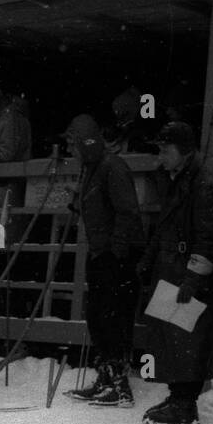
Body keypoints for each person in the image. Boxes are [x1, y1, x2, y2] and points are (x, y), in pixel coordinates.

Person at [138, 121, 213, 424]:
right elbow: (164, 226)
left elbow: (208, 237)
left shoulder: (203, 185)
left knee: (188, 338)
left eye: (166, 150)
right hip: (174, 267)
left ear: (184, 150)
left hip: (188, 271)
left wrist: (194, 279)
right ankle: (177, 395)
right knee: (173, 338)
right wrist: (148, 261)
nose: (161, 157)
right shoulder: (180, 180)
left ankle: (186, 404)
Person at [59, 114, 144, 408]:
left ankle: (119, 385)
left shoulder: (112, 167)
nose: (71, 151)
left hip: (115, 256)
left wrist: (117, 252)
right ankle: (105, 376)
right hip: (101, 252)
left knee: (112, 318)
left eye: (74, 145)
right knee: (97, 316)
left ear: (87, 144)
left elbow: (127, 211)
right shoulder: (91, 168)